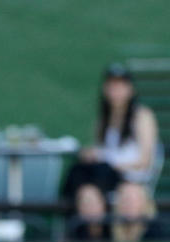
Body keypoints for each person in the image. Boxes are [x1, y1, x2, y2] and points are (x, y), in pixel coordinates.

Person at [62, 64, 161, 204]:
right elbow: (101, 151)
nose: (116, 91)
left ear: (130, 89)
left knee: (98, 175)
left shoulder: (142, 116)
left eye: (120, 86)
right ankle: (72, 218)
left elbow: (144, 161)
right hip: (106, 174)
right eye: (112, 86)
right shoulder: (103, 121)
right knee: (77, 171)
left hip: (129, 177)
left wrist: (110, 162)